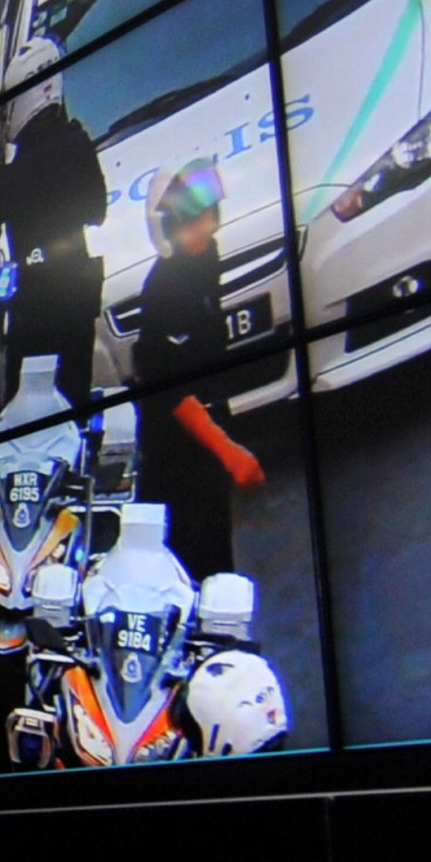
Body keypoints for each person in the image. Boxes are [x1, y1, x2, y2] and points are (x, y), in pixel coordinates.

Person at [130, 161, 264, 582]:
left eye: (208, 215)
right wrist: (229, 452)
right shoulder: (165, 290)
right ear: (167, 230)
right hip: (174, 454)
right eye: (191, 222)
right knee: (192, 563)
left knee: (218, 546)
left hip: (208, 430)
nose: (204, 228)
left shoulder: (206, 259)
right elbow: (176, 396)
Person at [0, 40, 113, 411]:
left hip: (33, 310)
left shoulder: (11, 176)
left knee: (24, 406)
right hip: (78, 296)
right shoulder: (78, 144)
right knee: (76, 398)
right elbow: (98, 211)